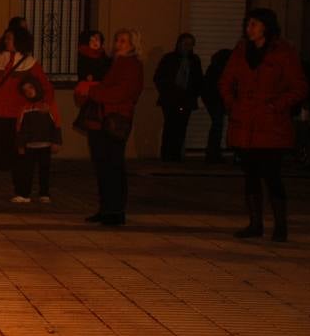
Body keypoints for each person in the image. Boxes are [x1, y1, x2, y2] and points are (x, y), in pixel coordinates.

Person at [219, 8, 308, 242]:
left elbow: (299, 87)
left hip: (271, 126)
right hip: (245, 123)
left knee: (272, 175)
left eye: (254, 24)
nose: (249, 28)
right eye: (248, 23)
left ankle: (280, 226)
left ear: (266, 27)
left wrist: (275, 105)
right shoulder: (241, 51)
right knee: (250, 174)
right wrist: (232, 104)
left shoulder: (283, 52)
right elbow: (225, 81)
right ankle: (255, 223)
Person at [77, 28, 144, 226]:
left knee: (113, 165)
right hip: (103, 117)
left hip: (116, 119)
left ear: (132, 44)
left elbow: (122, 92)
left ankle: (115, 210)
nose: (118, 44)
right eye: (117, 40)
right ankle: (106, 208)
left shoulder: (131, 64)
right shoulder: (115, 62)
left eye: (123, 41)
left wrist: (94, 92)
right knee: (103, 165)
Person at [0, 26, 53, 198]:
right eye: (6, 38)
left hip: (16, 116)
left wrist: (44, 103)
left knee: (19, 154)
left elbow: (45, 86)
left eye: (10, 38)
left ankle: (19, 189)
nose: (6, 41)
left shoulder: (30, 63)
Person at [153, 32, 204, 162]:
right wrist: (168, 91)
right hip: (170, 99)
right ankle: (166, 155)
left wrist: (192, 93)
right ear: (179, 44)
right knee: (170, 126)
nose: (188, 47)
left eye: (190, 44)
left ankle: (175, 155)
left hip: (186, 100)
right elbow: (159, 78)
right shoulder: (169, 58)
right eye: (185, 44)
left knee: (181, 128)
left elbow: (199, 80)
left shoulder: (194, 60)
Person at [14, 74, 61, 203]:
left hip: (45, 144)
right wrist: (20, 145)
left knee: (44, 171)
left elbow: (56, 124)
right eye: (25, 90)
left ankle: (44, 194)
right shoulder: (24, 108)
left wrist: (56, 142)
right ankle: (24, 194)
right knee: (26, 171)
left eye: (31, 88)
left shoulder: (49, 105)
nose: (29, 92)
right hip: (29, 146)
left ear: (37, 87)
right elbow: (19, 128)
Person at [202, 47, 232, 164]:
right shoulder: (220, 70)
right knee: (218, 125)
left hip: (213, 99)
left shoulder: (214, 68)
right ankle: (213, 154)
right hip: (215, 100)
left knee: (217, 126)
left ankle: (213, 153)